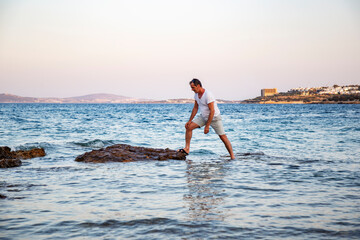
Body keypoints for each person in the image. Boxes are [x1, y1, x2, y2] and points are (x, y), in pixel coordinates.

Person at [178, 79, 235, 160]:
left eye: (193, 87)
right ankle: (187, 149)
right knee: (189, 127)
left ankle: (232, 156)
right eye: (191, 88)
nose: (192, 89)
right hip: (204, 117)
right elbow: (195, 108)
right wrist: (190, 120)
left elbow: (212, 110)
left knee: (223, 136)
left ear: (198, 86)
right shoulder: (196, 95)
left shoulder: (208, 94)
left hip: (214, 118)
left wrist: (207, 126)